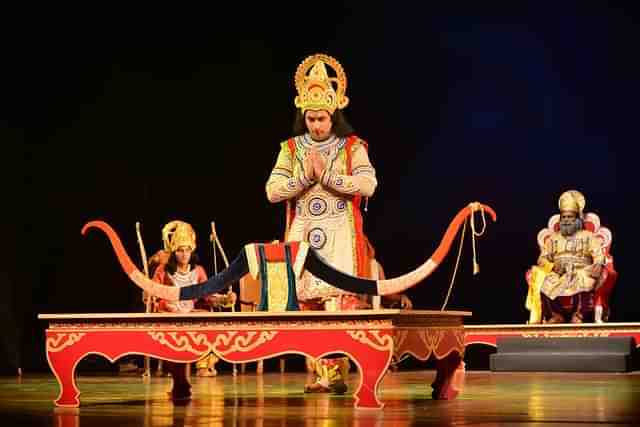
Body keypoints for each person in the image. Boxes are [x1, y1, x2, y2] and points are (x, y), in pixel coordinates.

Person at [265, 53, 409, 393]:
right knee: (307, 305)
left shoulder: (352, 147)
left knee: (340, 304)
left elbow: (369, 185)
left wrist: (328, 176)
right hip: (303, 233)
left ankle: (338, 373)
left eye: (322, 119)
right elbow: (272, 191)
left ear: (334, 115)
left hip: (340, 235)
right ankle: (318, 374)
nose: (316, 125)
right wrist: (303, 177)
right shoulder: (290, 149)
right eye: (311, 119)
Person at [152, 221, 236, 398]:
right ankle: (178, 376)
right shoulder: (163, 270)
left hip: (191, 312)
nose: (184, 254)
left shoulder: (198, 271)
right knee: (172, 330)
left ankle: (204, 365)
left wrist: (224, 299)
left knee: (207, 321)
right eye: (180, 250)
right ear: (174, 252)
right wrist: (165, 303)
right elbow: (154, 294)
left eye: (187, 250)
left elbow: (208, 295)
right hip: (170, 313)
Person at [526, 190, 605, 324]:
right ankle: (556, 315)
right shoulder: (552, 239)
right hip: (559, 273)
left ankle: (579, 315)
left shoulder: (588, 236)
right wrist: (553, 266)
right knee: (542, 280)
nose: (567, 220)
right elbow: (542, 259)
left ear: (577, 218)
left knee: (585, 280)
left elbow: (599, 257)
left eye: (570, 217)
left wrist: (595, 266)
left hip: (581, 272)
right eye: (564, 217)